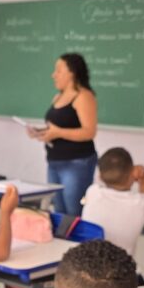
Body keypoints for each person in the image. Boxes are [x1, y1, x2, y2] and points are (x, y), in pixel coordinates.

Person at [25, 53, 98, 217]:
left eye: (58, 70)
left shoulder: (83, 96)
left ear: (72, 72)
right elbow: (55, 128)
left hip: (76, 163)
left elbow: (89, 131)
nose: (54, 75)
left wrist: (58, 132)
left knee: (74, 212)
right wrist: (39, 132)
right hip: (54, 161)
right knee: (59, 211)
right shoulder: (58, 97)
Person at [81, 147, 144, 268]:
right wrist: (143, 178)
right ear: (132, 175)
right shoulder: (141, 203)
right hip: (121, 271)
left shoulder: (92, 192)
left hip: (89, 267)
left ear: (100, 175)